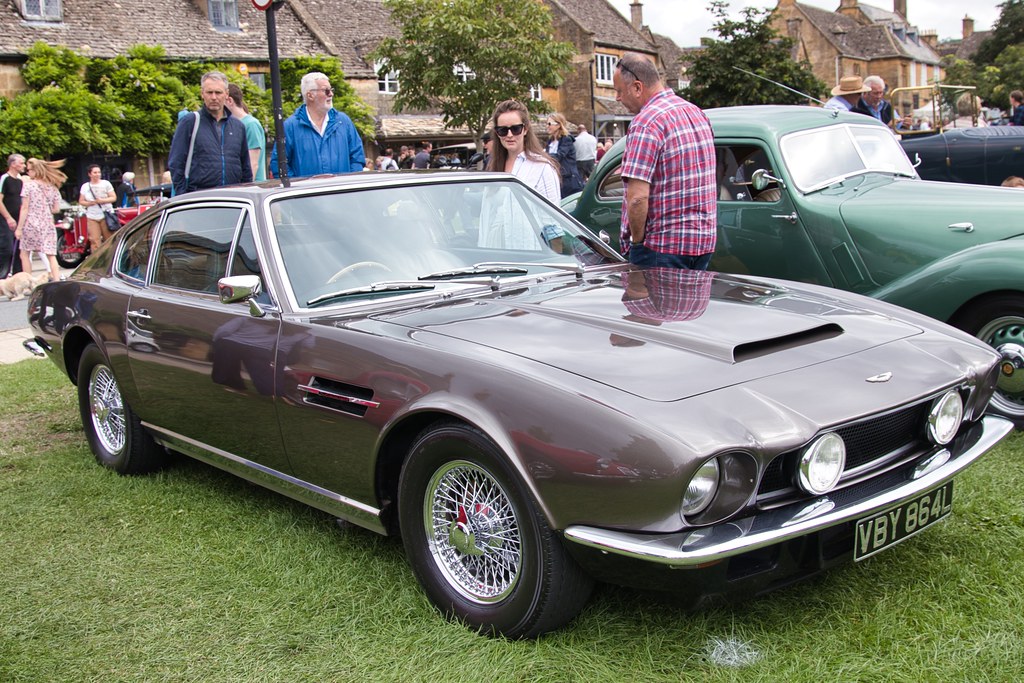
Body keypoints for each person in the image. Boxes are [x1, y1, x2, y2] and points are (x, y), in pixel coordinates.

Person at [612, 51, 716, 270]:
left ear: (638, 87)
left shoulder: (646, 123)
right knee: (693, 305)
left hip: (662, 247)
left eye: (619, 91)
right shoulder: (696, 112)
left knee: (654, 305)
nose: (617, 98)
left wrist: (637, 244)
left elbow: (637, 198)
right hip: (702, 242)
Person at [168, 71, 252, 195]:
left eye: (218, 92)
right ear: (202, 94)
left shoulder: (238, 126)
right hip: (200, 200)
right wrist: (183, 196)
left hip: (233, 199)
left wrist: (245, 193)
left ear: (226, 94)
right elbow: (176, 162)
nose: (214, 97)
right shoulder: (190, 122)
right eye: (209, 92)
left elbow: (246, 167)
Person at [269, 72, 365, 178]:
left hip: (341, 192)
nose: (331, 94)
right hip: (307, 193)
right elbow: (279, 165)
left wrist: (349, 182)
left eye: (331, 90)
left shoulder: (343, 122)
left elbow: (357, 157)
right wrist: (298, 188)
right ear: (310, 95)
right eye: (326, 91)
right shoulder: (290, 126)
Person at [487, 99, 560, 203]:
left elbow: (552, 214)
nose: (509, 135)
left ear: (525, 129)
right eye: (502, 130)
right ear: (497, 133)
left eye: (516, 129)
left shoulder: (543, 167)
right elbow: (489, 210)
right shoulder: (493, 167)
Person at [15, 158, 65, 283]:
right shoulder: (52, 187)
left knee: (25, 253)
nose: (27, 172)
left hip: (31, 222)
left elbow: (24, 208)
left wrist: (19, 228)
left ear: (35, 170)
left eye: (29, 170)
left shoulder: (28, 185)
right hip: (47, 222)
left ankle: (28, 282)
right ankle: (57, 279)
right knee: (51, 254)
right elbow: (56, 209)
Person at [226, 82, 267, 181]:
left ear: (229, 101)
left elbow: (253, 163)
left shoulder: (251, 124)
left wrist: (245, 187)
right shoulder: (233, 124)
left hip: (253, 187)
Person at [78, 164, 117, 252]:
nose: (97, 174)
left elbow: (113, 197)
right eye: (95, 172)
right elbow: (81, 201)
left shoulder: (106, 183)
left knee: (109, 238)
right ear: (90, 174)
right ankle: (97, 259)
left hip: (106, 214)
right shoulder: (85, 186)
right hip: (92, 215)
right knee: (94, 240)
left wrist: (102, 200)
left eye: (99, 172)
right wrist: (90, 203)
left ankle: (110, 256)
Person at [544, 113, 584, 198]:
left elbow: (559, 156)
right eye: (546, 123)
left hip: (569, 180)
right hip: (556, 179)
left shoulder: (566, 139)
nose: (547, 126)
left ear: (558, 125)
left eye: (549, 124)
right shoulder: (550, 141)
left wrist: (543, 156)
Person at [0, 154, 26, 277]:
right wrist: (8, 217)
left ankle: (17, 276)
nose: (24, 166)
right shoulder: (5, 179)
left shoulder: (20, 181)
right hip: (6, 218)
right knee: (7, 248)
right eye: (21, 163)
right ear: (13, 164)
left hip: (18, 219)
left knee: (19, 249)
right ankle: (2, 275)